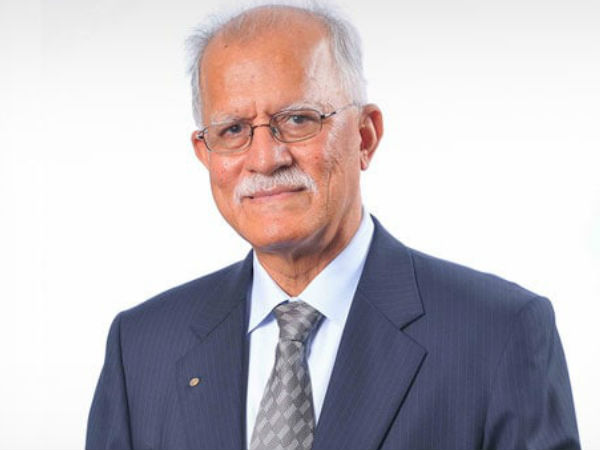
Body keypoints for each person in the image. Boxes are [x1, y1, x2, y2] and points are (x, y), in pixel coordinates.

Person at [86, 3, 580, 450]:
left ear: (365, 136)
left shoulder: (498, 333)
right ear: (206, 153)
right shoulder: (142, 347)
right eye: (233, 130)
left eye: (298, 120)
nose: (266, 158)